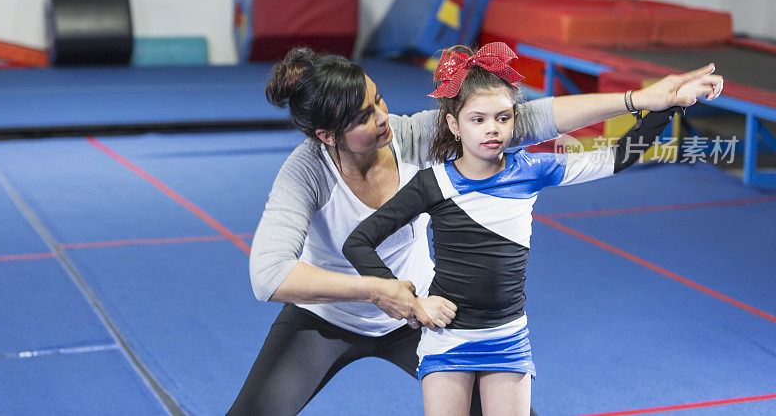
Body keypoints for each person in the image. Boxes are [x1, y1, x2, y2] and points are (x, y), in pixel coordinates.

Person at [227, 46, 722, 415]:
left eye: (379, 102)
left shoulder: (412, 134)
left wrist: (643, 99)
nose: (384, 120)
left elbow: (525, 120)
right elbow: (268, 275)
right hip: (330, 319)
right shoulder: (306, 172)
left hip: (427, 313)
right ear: (327, 136)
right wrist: (378, 289)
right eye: (364, 117)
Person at [342, 42, 688, 415]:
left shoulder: (532, 170)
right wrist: (411, 302)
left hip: (507, 337)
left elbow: (615, 157)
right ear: (453, 124)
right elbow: (359, 242)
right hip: (448, 338)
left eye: (503, 118)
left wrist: (666, 106)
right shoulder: (433, 183)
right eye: (478, 119)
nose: (492, 129)